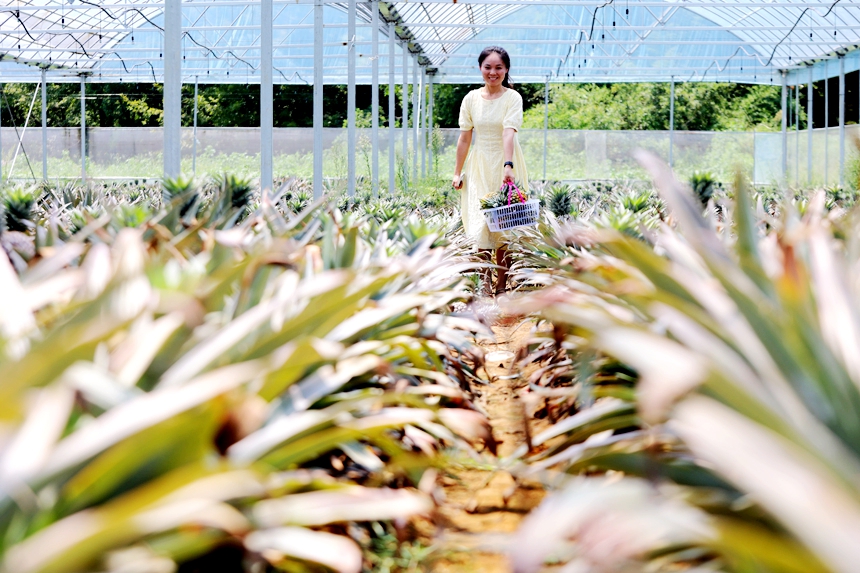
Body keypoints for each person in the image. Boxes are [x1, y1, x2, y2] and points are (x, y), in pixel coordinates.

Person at [452, 46, 529, 297]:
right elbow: (464, 138)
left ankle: (502, 283)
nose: (493, 72)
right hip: (479, 164)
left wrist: (508, 165)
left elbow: (509, 132)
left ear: (506, 70)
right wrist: (457, 172)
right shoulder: (471, 99)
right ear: (480, 68)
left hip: (505, 163)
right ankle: (484, 281)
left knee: (504, 221)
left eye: (498, 68)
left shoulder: (512, 98)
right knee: (480, 222)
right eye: (488, 67)